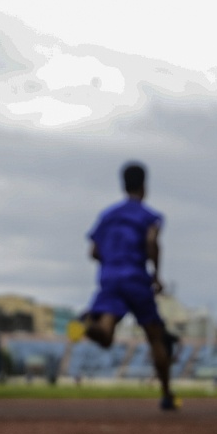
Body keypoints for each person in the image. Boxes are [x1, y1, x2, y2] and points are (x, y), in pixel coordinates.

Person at [84, 162, 176, 410]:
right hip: (135, 275)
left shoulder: (107, 216)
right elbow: (152, 242)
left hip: (109, 275)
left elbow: (93, 251)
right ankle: (167, 394)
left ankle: (101, 327)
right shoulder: (149, 216)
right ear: (144, 187)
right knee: (155, 336)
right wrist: (156, 274)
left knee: (108, 327)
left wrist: (113, 259)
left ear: (122, 185)